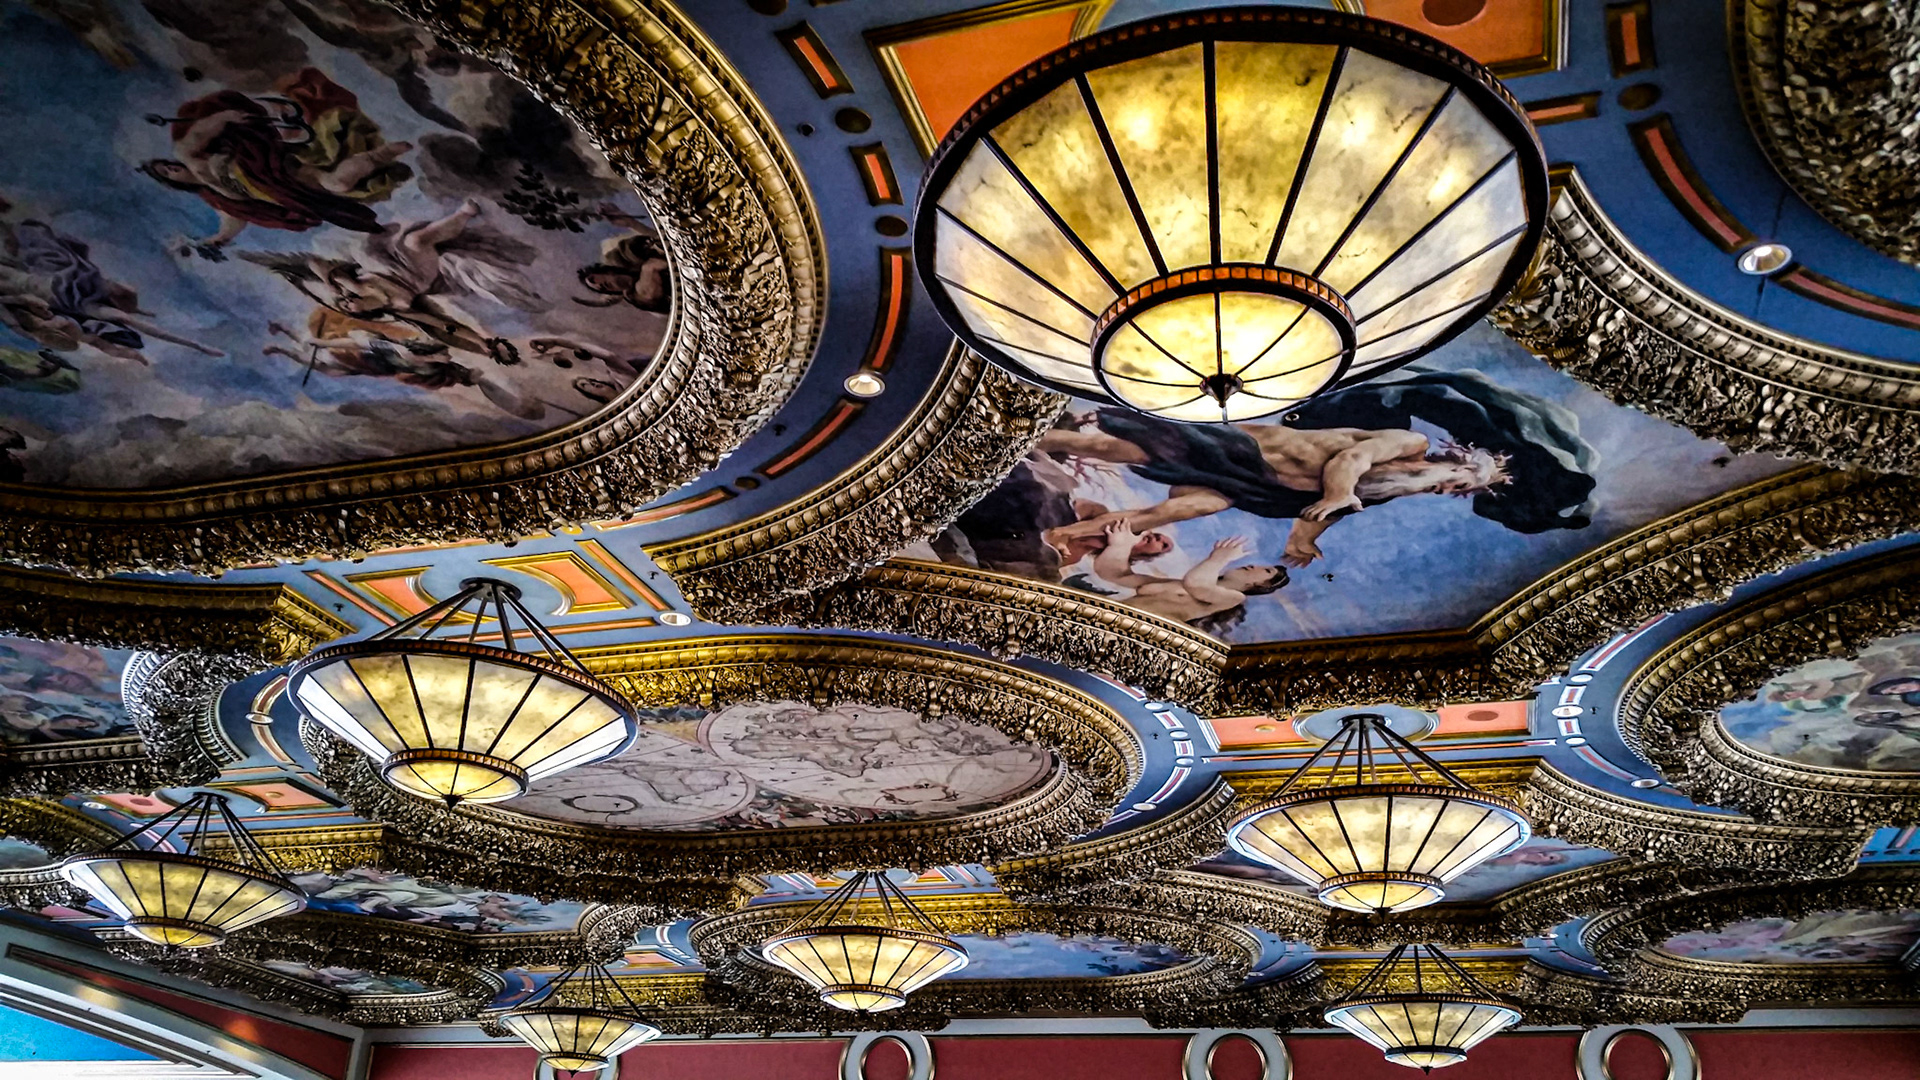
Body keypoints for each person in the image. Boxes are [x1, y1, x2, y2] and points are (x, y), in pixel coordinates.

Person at [1039, 411, 1509, 568]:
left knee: (1184, 510)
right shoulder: (1410, 443)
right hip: (1242, 449)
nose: (1445, 490)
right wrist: (1338, 495)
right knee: (1115, 448)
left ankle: (1064, 535)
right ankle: (1025, 438)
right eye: (1455, 483)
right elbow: (1349, 462)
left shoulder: (1390, 488)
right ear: (1455, 464)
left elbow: (1326, 509)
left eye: (1455, 492)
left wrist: (1304, 540)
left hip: (1248, 485)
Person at [139, 67, 413, 249]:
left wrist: (224, 117)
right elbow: (234, 220)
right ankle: (377, 159)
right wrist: (217, 241)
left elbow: (197, 135)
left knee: (330, 178)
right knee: (337, 185)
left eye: (166, 165)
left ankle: (380, 154)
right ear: (173, 184)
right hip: (281, 191)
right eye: (167, 173)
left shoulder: (191, 159)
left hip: (268, 165)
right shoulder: (214, 198)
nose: (171, 168)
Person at [1091, 521, 1287, 633]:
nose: (1254, 566)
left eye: (1266, 571)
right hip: (1104, 621)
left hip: (1133, 634)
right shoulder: (1176, 584)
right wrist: (1119, 545)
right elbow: (1115, 575)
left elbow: (1196, 584)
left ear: (1262, 585)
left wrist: (1219, 558)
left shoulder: (1233, 598)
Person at [574, 204, 669, 312]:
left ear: (605, 270)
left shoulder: (627, 254)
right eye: (598, 289)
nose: (598, 285)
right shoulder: (636, 296)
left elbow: (663, 243)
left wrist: (632, 223)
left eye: (592, 279)